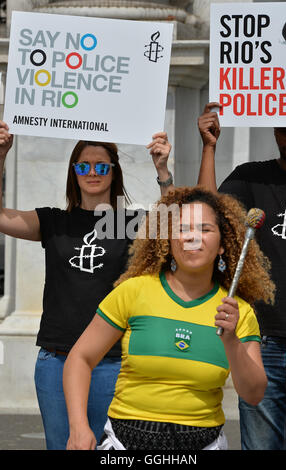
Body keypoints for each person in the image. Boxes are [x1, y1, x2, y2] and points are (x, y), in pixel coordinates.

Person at [0, 121, 172, 450]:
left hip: (112, 361)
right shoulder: (53, 221)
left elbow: (177, 227)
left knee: (113, 451)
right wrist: (1, 155)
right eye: (83, 165)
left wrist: (162, 170)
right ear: (73, 172)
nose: (92, 172)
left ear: (113, 172)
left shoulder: (130, 223)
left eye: (101, 166)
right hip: (57, 360)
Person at [63, 185, 275, 450]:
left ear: (222, 244)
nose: (192, 238)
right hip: (123, 445)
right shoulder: (133, 291)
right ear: (168, 240)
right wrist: (79, 427)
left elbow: (254, 394)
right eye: (182, 229)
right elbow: (80, 358)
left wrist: (231, 340)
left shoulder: (238, 312)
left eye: (204, 229)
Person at [198, 103, 286, 450]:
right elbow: (206, 212)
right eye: (284, 129)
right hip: (262, 342)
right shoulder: (251, 176)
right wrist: (209, 146)